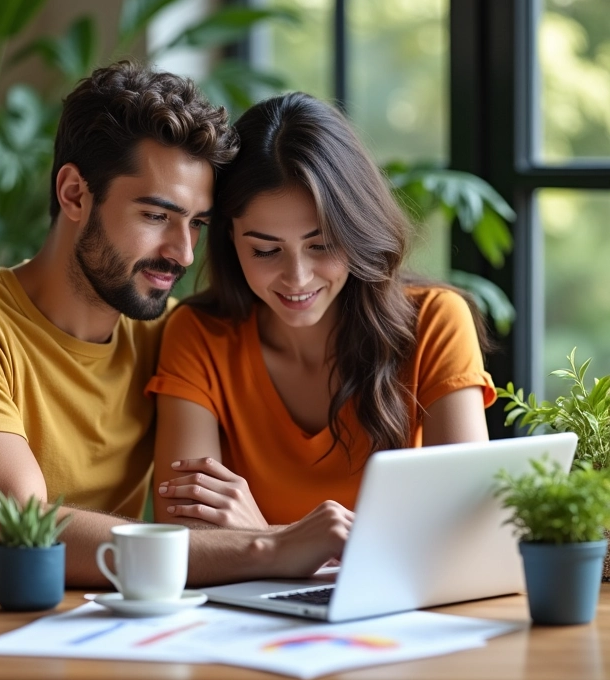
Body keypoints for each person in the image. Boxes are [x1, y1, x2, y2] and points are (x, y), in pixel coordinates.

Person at [0, 64, 352, 642]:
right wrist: (273, 545)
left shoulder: (169, 335)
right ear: (75, 193)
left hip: (105, 659)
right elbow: (21, 535)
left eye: (197, 223)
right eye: (156, 216)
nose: (181, 253)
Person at [149, 91, 497, 530]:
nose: (296, 277)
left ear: (357, 231)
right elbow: (186, 536)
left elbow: (466, 527)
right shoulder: (199, 335)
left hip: (402, 601)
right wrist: (293, 545)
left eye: (322, 245)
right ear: (230, 239)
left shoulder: (434, 321)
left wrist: (265, 537)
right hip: (243, 602)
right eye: (265, 250)